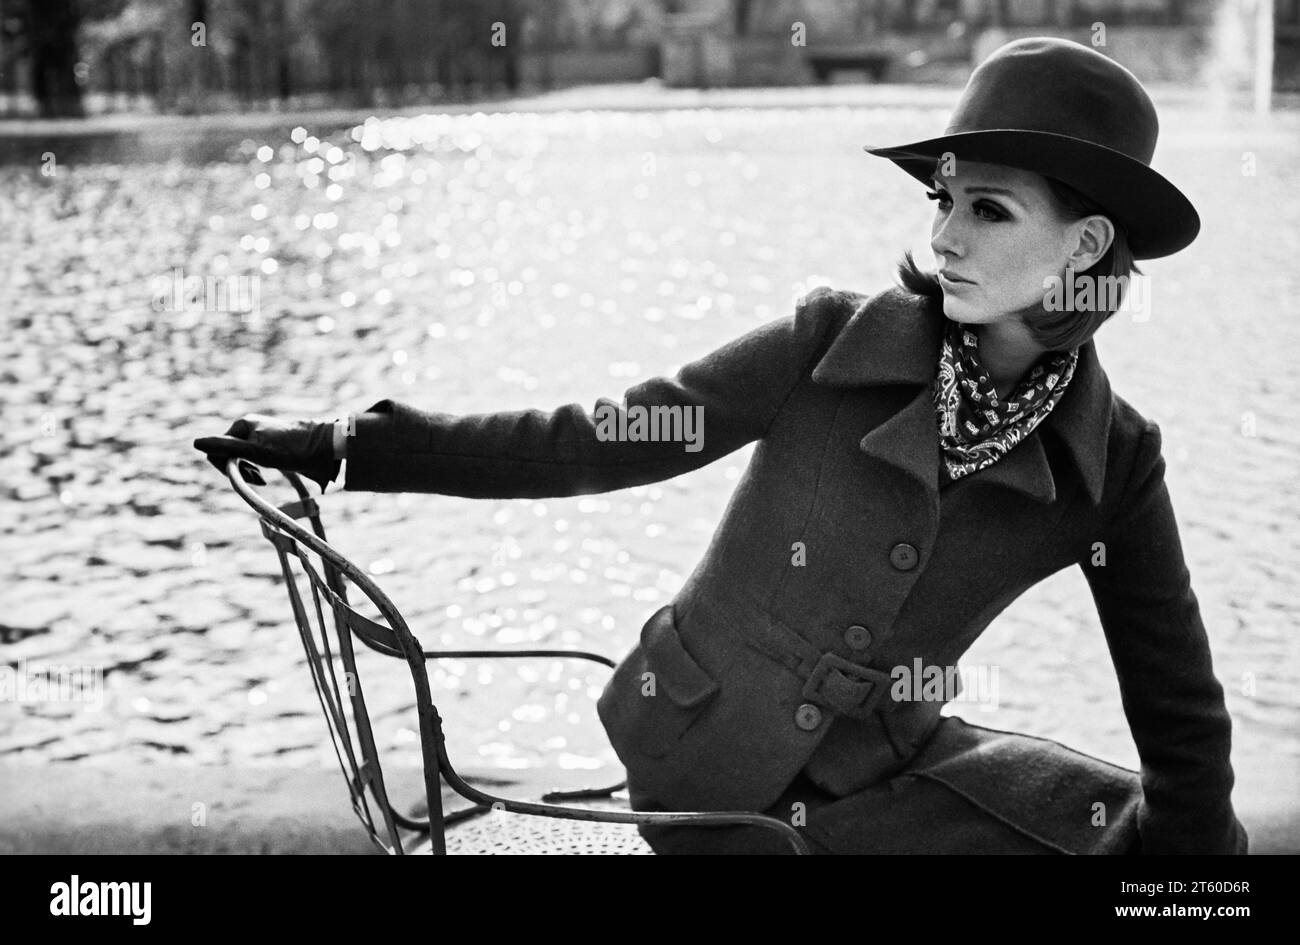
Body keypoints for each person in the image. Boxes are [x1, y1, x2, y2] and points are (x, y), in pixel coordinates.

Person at [196, 37, 1247, 854]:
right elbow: (595, 442)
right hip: (705, 765)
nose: (943, 238)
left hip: (880, 770)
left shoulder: (1115, 457)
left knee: (1121, 832)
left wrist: (1201, 885)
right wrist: (349, 445)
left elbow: (1174, 700)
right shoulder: (829, 341)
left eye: (987, 208)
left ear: (1088, 245)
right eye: (943, 201)